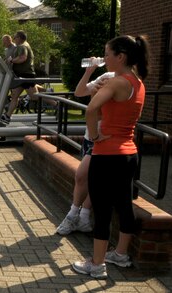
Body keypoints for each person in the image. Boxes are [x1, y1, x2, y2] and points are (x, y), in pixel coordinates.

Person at [72, 35, 150, 279]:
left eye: (107, 54)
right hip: (129, 154)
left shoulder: (117, 83)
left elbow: (92, 108)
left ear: (121, 57)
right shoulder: (138, 82)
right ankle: (120, 254)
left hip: (107, 155)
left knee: (103, 210)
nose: (104, 58)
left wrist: (94, 137)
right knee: (124, 204)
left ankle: (96, 264)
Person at [56, 68, 114, 235]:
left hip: (103, 137)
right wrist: (90, 72)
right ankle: (83, 217)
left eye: (108, 54)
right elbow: (79, 92)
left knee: (82, 175)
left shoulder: (124, 82)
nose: (105, 58)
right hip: (91, 136)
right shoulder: (106, 77)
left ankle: (74, 215)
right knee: (89, 178)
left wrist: (97, 95)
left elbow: (104, 112)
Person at [2, 31, 37, 124]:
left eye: (15, 37)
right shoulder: (23, 45)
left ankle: (56, 104)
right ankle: (7, 116)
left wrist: (12, 60)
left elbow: (23, 58)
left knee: (34, 96)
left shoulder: (22, 46)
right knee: (14, 95)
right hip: (21, 75)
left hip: (26, 75)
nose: (14, 39)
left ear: (20, 38)